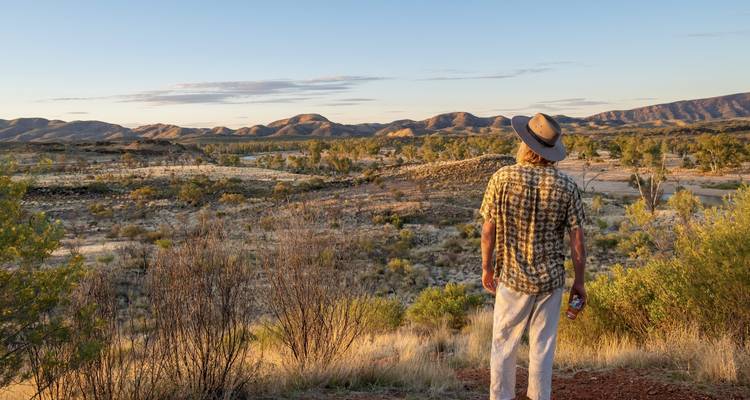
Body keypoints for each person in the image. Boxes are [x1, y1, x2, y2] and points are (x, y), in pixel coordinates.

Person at [479, 113, 587, 400]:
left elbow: (488, 229)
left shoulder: (501, 178)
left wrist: (487, 267)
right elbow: (577, 239)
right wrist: (580, 281)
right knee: (542, 347)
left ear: (525, 144)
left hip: (512, 277)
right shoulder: (566, 186)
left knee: (503, 345)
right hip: (550, 280)